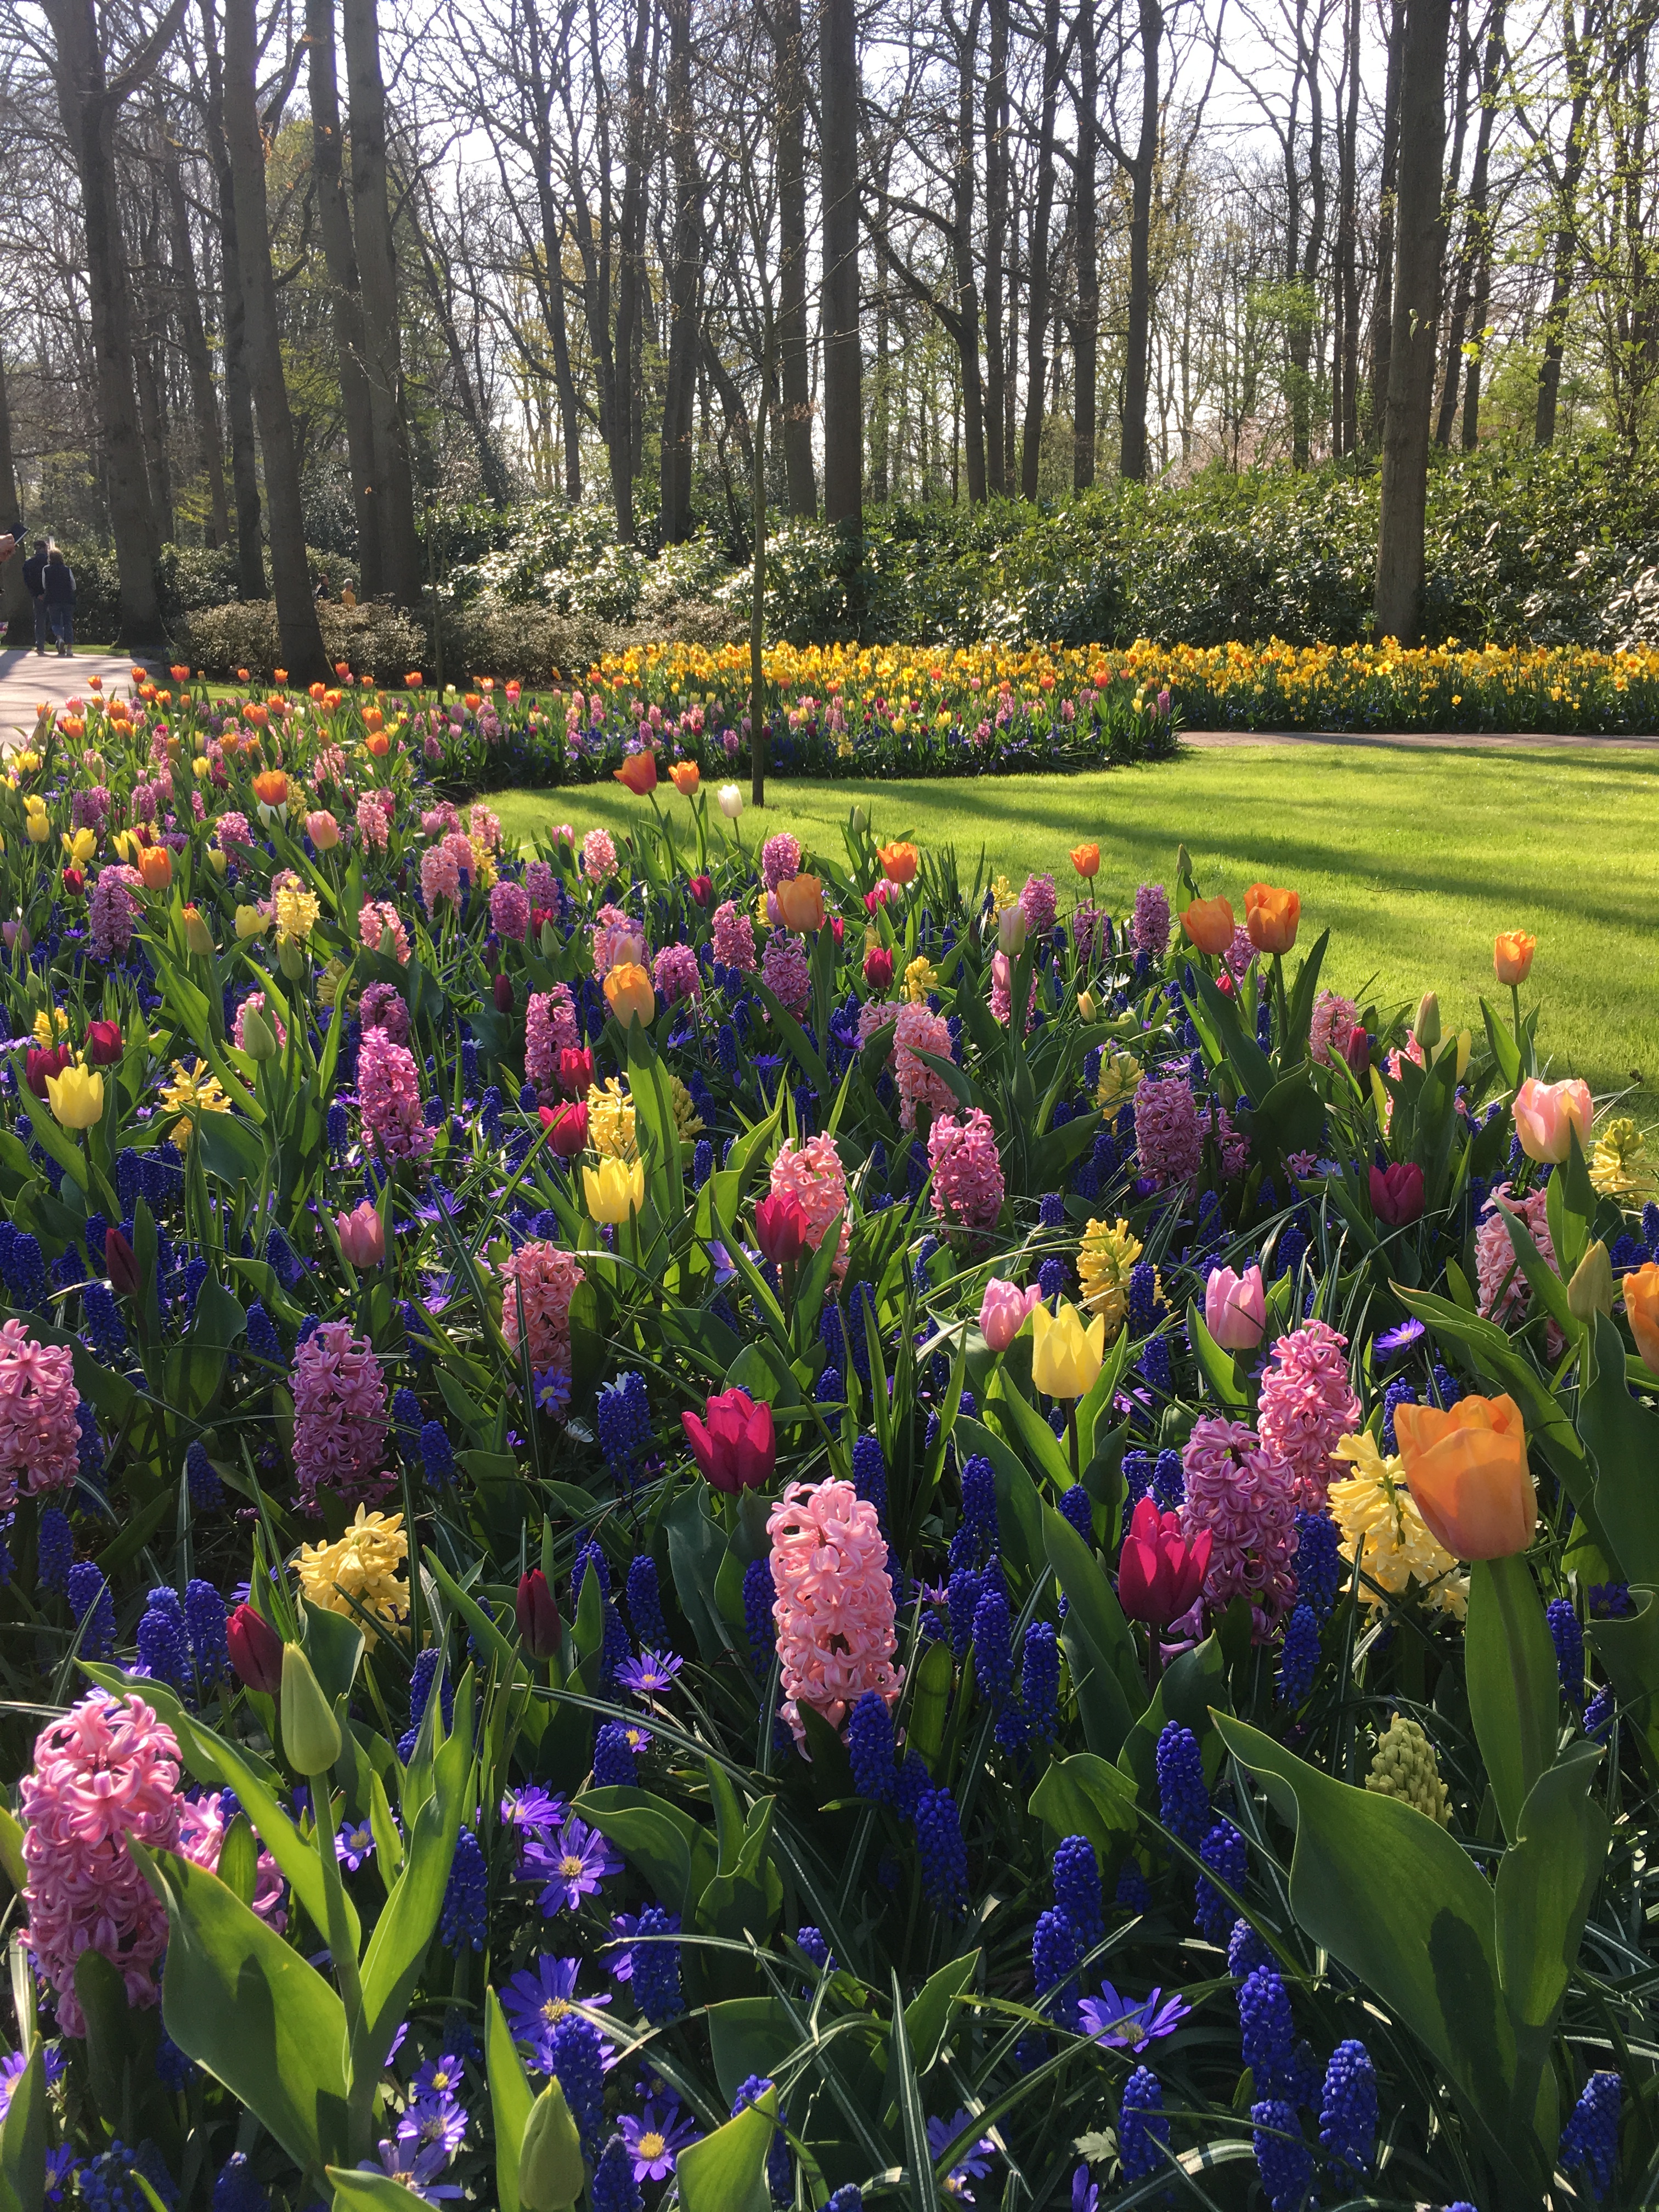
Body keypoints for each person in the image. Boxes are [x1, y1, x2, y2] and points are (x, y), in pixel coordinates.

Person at [42, 547, 75, 657]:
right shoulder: (67, 569)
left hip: (53, 599)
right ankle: (70, 648)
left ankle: (60, 638)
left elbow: (44, 585)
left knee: (55, 622)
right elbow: (73, 584)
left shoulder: (46, 569)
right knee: (68, 623)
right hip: (67, 599)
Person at [21, 538, 50, 655]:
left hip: (37, 596)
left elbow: (28, 581)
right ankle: (60, 641)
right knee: (56, 619)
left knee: (40, 620)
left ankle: (40, 644)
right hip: (50, 595)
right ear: (45, 548)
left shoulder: (29, 564)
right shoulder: (50, 562)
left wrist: (36, 594)